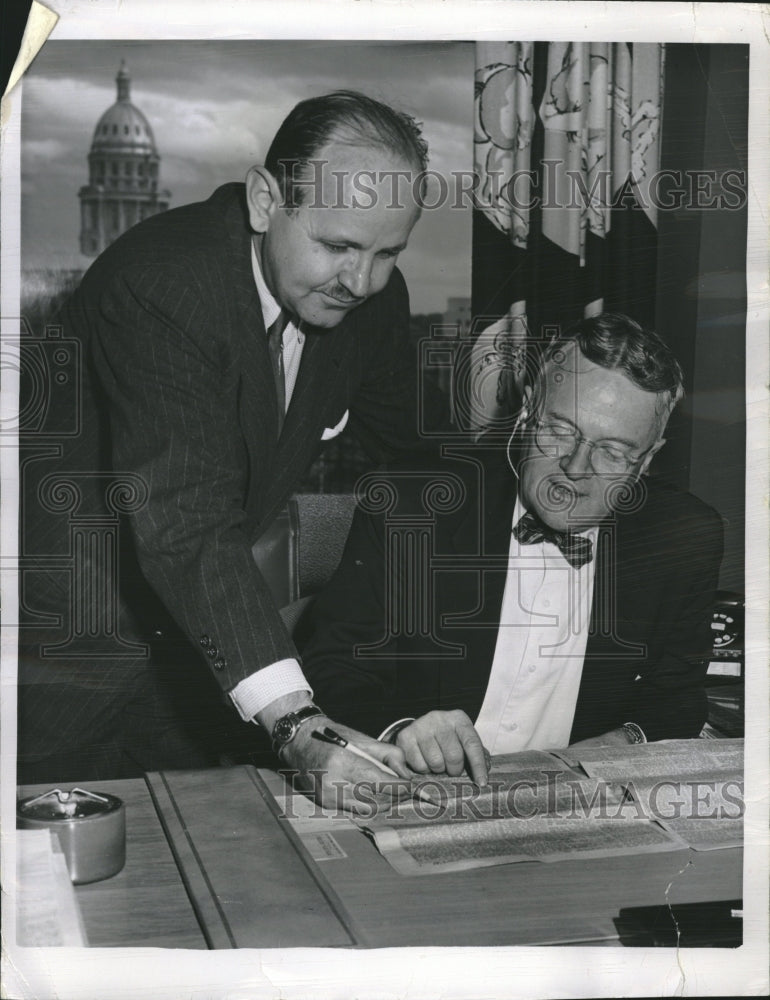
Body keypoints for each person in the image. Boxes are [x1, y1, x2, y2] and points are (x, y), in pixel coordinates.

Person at [18, 90, 443, 801]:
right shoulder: (160, 285)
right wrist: (299, 724)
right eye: (337, 245)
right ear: (262, 200)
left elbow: (421, 446)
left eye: (387, 253)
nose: (361, 281)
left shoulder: (370, 298)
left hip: (204, 665)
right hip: (66, 657)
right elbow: (186, 519)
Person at [299, 313, 724, 787]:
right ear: (527, 412)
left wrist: (617, 745)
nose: (575, 467)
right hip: (414, 790)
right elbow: (333, 665)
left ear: (645, 461)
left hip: (574, 804)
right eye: (560, 430)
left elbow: (678, 697)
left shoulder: (683, 536)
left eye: (613, 452)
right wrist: (403, 732)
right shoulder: (413, 503)